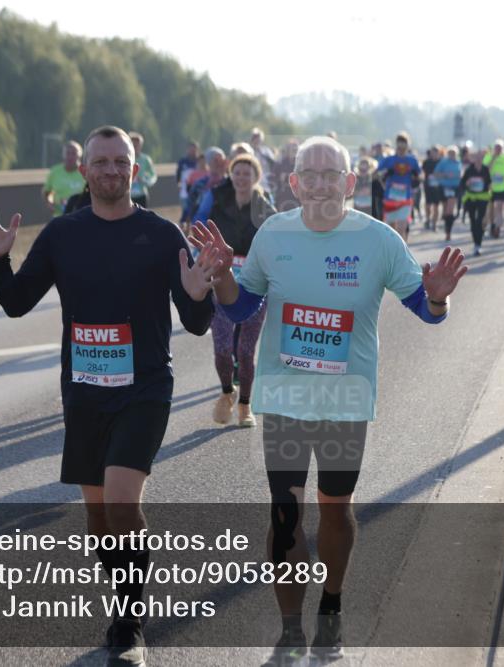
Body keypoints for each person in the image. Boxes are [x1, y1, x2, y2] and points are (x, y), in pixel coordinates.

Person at [190, 136, 467, 665]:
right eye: (308, 174)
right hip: (286, 396)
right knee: (285, 513)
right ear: (292, 183)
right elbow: (240, 305)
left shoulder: (380, 241)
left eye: (329, 174)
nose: (319, 182)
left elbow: (428, 311)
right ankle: (291, 629)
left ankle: (331, 609)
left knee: (334, 508)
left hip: (346, 401)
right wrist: (222, 275)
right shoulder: (274, 233)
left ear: (349, 183)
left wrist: (437, 294)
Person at [0, 125, 217, 667]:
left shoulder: (163, 235)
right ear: (84, 170)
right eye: (100, 162)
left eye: (120, 162)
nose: (111, 170)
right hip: (83, 391)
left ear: (135, 169)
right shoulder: (61, 235)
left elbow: (195, 322)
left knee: (124, 501)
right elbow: (16, 303)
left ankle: (129, 625)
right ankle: (123, 599)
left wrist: (200, 295)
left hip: (145, 387)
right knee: (100, 521)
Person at [202, 153, 276, 427]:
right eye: (237, 172)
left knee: (245, 352)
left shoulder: (265, 209)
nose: (242, 178)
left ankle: (245, 405)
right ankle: (226, 392)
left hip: (255, 286)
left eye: (247, 173)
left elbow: (278, 244)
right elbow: (206, 236)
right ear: (231, 175)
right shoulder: (219, 202)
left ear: (256, 177)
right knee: (222, 349)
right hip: (222, 282)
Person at [376, 132, 421, 241]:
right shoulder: (389, 159)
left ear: (407, 145)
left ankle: (402, 255)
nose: (401, 146)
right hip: (390, 199)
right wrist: (385, 174)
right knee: (392, 230)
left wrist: (417, 178)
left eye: (404, 143)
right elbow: (375, 173)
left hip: (405, 199)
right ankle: (394, 253)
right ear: (396, 144)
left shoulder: (412, 160)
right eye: (399, 143)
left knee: (402, 228)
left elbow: (421, 175)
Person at [459, 149, 492, 256]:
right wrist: (467, 183)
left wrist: (488, 187)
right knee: (473, 221)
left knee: (480, 221)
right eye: (476, 157)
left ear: (483, 159)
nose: (478, 159)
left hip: (482, 197)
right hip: (471, 198)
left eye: (480, 157)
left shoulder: (485, 169)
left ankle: (479, 244)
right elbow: (462, 183)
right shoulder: (469, 170)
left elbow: (489, 183)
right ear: (473, 159)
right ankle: (475, 244)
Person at [185, 146, 228, 225]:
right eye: (216, 160)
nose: (220, 163)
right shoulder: (200, 184)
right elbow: (190, 204)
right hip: (203, 226)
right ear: (208, 162)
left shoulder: (231, 182)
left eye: (222, 160)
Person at [43, 141, 86, 216]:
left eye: (73, 153)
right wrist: (50, 203)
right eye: (67, 153)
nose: (70, 156)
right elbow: (48, 192)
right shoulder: (55, 171)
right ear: (63, 155)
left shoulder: (85, 172)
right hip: (59, 216)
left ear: (79, 155)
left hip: (81, 216)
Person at [432, 146, 463, 241]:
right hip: (444, 187)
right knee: (446, 210)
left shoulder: (458, 162)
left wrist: (460, 176)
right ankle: (446, 225)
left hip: (454, 188)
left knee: (450, 210)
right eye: (450, 153)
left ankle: (448, 232)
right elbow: (435, 174)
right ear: (447, 153)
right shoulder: (443, 162)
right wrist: (445, 175)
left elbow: (461, 174)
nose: (452, 155)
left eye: (454, 153)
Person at [484, 140, 504, 239]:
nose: (498, 150)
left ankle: (497, 228)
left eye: (500, 148)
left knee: (499, 208)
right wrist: (493, 159)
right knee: (490, 209)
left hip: (502, 187)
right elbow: (486, 169)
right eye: (496, 148)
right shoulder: (488, 157)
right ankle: (492, 225)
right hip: (490, 188)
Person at [129, 132, 158, 208]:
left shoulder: (145, 159)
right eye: (133, 144)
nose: (135, 147)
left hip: (142, 195)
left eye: (137, 145)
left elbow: (153, 175)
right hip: (127, 195)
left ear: (140, 145)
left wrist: (145, 181)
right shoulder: (124, 158)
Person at [250, 127, 278, 194]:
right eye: (254, 138)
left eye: (258, 138)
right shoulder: (249, 151)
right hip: (251, 180)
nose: (256, 140)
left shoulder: (266, 151)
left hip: (265, 181)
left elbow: (274, 164)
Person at [422, 146, 443, 231]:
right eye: (432, 153)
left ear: (438, 153)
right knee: (428, 205)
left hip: (437, 187)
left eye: (435, 153)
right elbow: (422, 172)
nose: (433, 154)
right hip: (428, 186)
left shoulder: (441, 162)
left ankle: (434, 224)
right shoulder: (426, 162)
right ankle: (427, 219)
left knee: (436, 206)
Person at [176, 140, 199, 215]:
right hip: (184, 190)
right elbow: (178, 173)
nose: (192, 151)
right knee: (185, 212)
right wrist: (178, 184)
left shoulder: (199, 161)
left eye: (194, 149)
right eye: (190, 149)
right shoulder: (182, 161)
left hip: (197, 191)